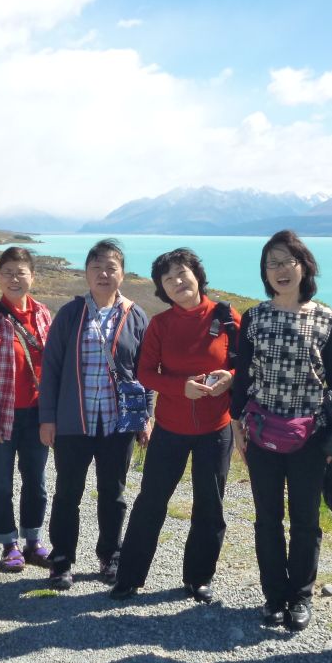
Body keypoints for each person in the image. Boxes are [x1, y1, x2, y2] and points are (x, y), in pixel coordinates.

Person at [229, 229, 332, 631]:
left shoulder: (327, 318)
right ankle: (274, 596)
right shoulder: (255, 317)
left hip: (310, 437)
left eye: (286, 261)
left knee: (306, 521)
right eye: (271, 263)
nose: (279, 270)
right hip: (260, 432)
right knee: (267, 519)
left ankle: (301, 596)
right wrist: (235, 425)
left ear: (304, 265)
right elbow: (242, 375)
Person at [110, 249, 240, 604]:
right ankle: (129, 578)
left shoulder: (227, 317)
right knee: (151, 502)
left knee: (210, 507)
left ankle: (198, 579)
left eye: (182, 273)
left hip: (216, 429)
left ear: (197, 274)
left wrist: (229, 377)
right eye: (168, 279)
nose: (177, 282)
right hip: (171, 428)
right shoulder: (161, 325)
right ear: (162, 290)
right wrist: (179, 386)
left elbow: (246, 364)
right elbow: (145, 373)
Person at [38, 239, 152, 591]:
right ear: (86, 273)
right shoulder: (71, 314)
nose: (104, 274)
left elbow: (146, 371)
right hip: (75, 422)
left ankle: (110, 556)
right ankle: (61, 560)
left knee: (113, 493)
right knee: (67, 492)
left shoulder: (136, 316)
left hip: (119, 424)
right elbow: (52, 368)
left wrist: (145, 416)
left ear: (122, 273)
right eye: (96, 267)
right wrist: (48, 418)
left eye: (111, 267)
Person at [0, 247, 53, 573]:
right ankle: (9, 544)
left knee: (37, 480)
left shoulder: (44, 314)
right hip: (1, 417)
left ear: (32, 276)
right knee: (1, 482)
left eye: (21, 272)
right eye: (7, 273)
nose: (14, 279)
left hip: (37, 415)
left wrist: (54, 416)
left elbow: (55, 369)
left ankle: (33, 540)